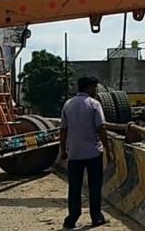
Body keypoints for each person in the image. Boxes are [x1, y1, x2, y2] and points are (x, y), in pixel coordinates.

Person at [60, 76, 112, 229]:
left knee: (74, 188)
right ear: (88, 88)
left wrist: (63, 149)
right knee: (95, 187)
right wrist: (108, 150)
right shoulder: (94, 104)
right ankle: (96, 217)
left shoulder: (68, 104)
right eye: (95, 87)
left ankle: (72, 219)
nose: (96, 91)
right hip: (93, 153)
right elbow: (101, 129)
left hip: (74, 154)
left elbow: (63, 129)